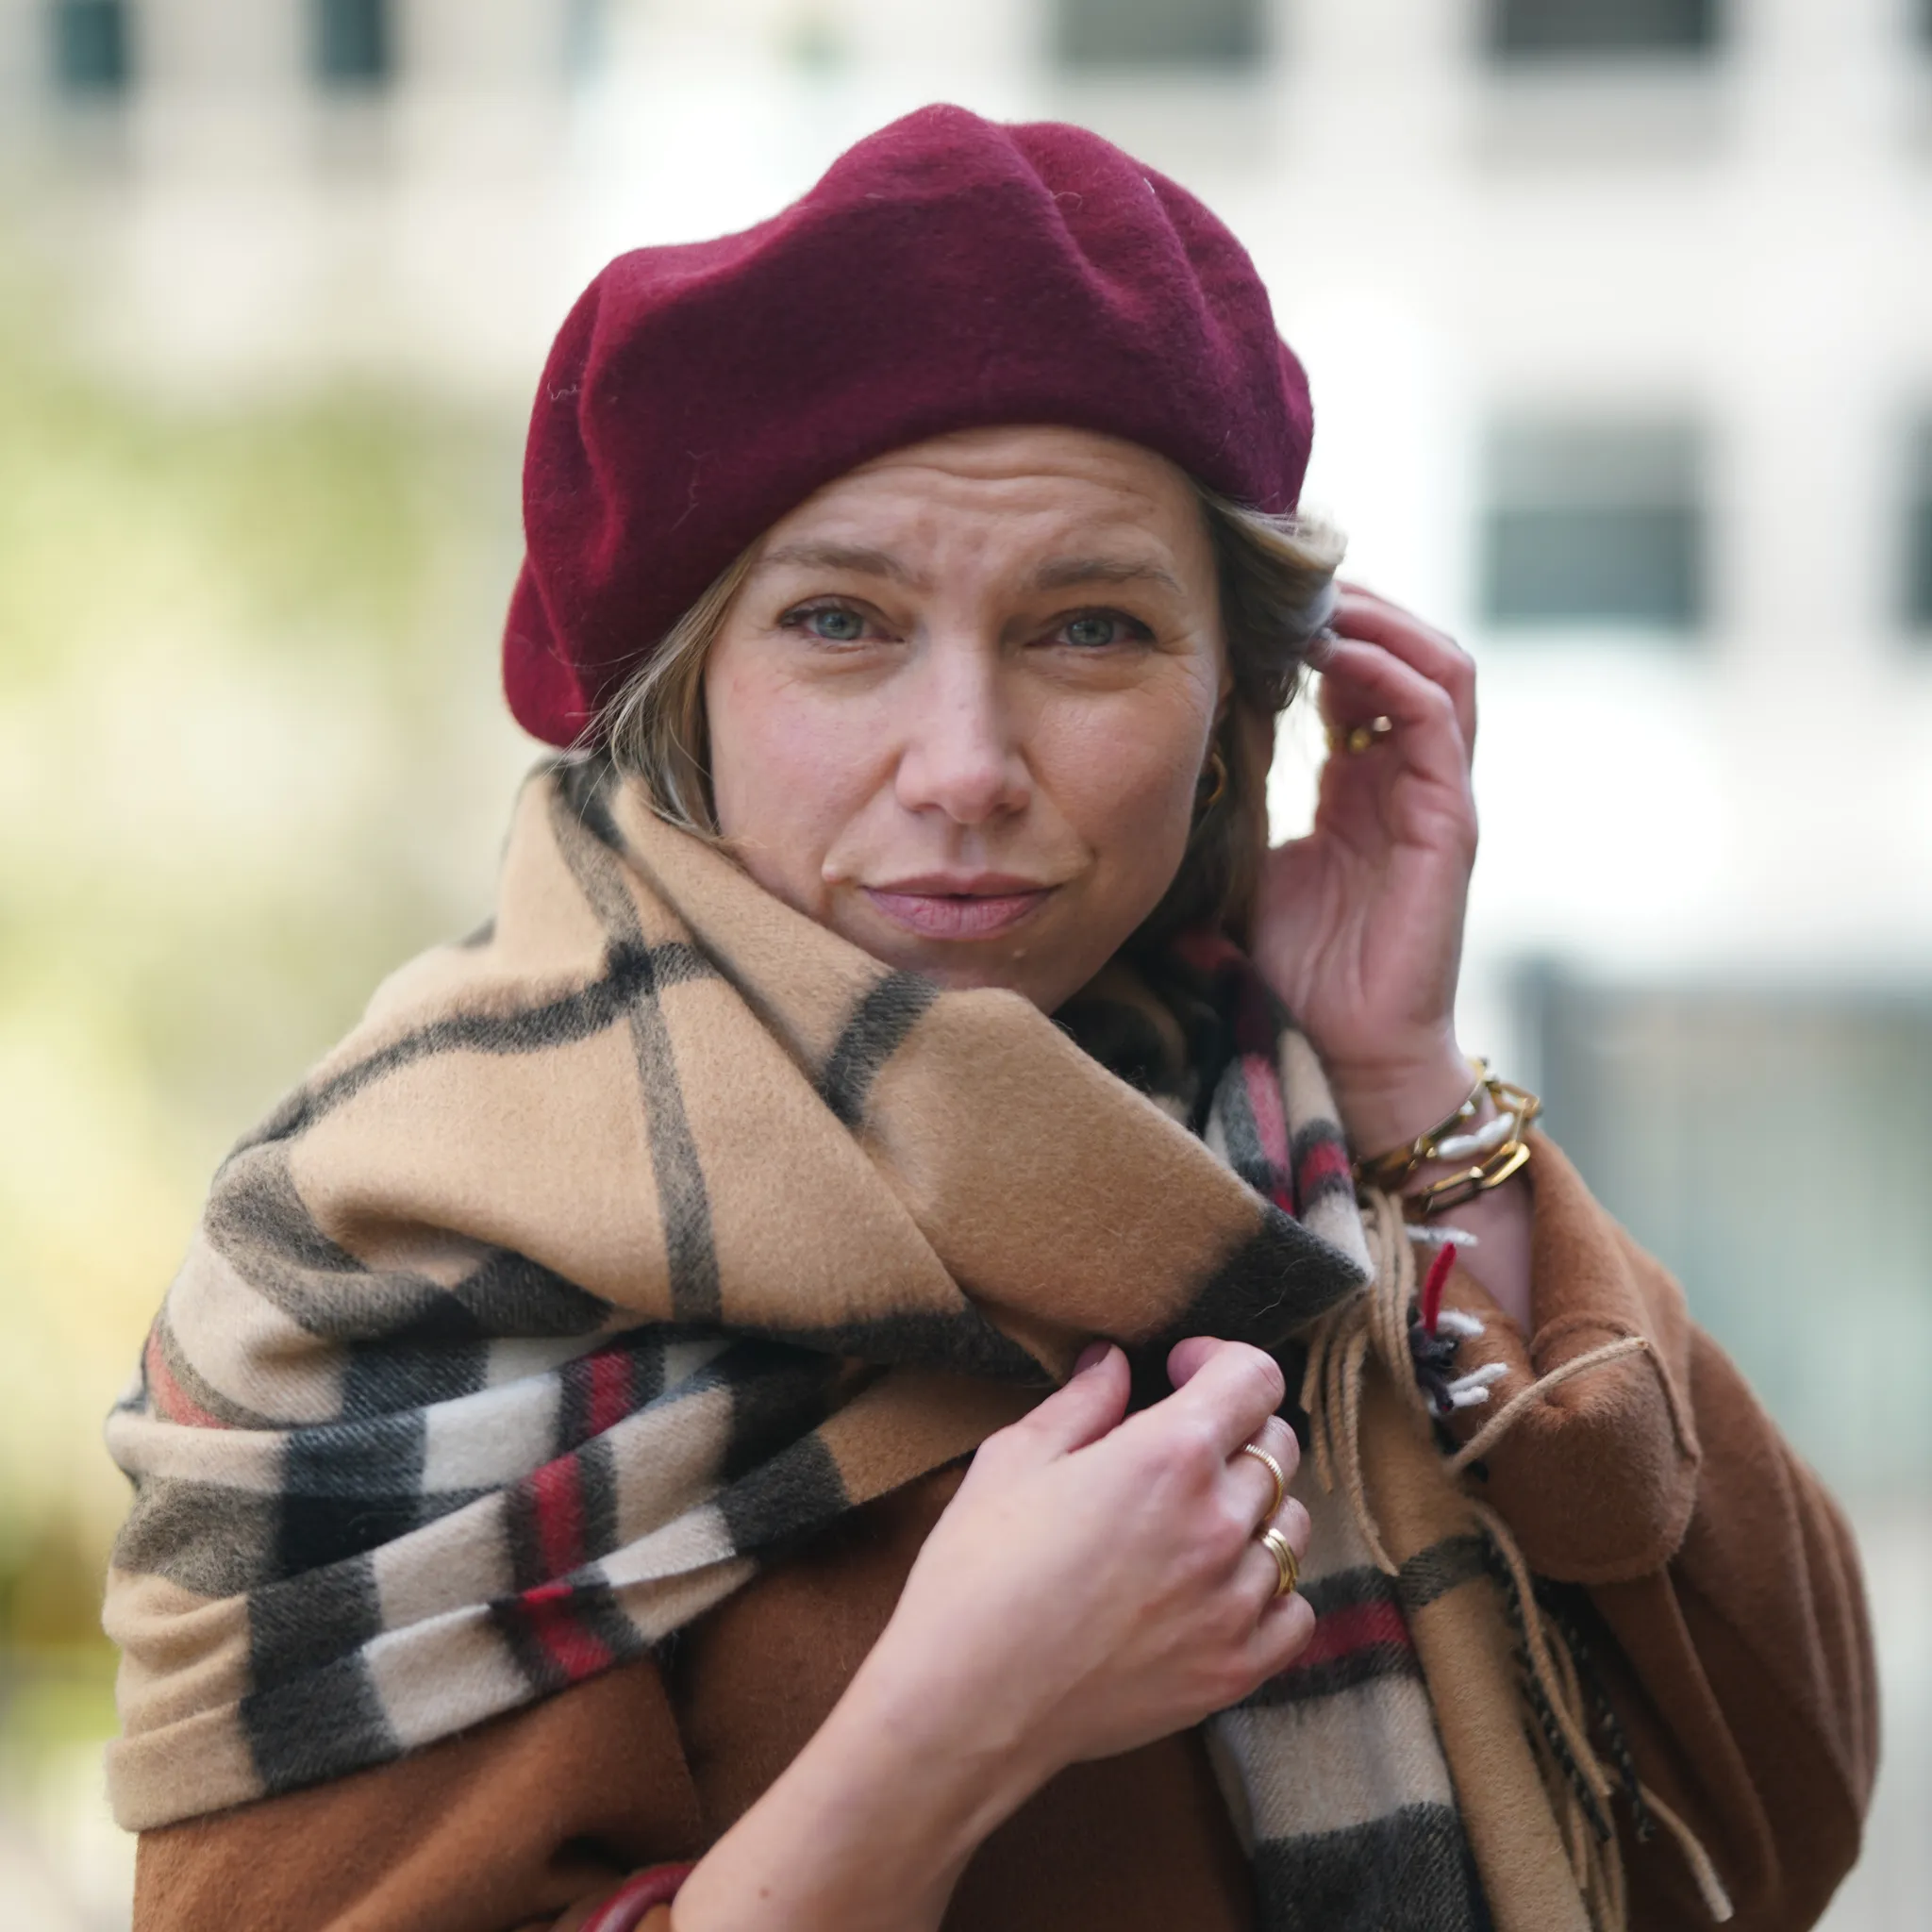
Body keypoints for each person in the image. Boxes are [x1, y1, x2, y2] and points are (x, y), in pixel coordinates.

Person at [104, 107, 1875, 1932]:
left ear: (1234, 714)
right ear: (684, 694)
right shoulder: (393, 1245)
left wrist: (1406, 1086)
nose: (964, 768)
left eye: (1091, 631)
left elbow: (1787, 1796)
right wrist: (953, 1729)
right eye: (841, 623)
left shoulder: (1300, 1138)